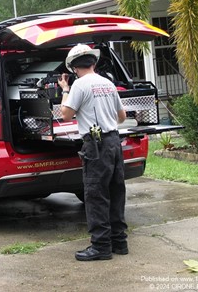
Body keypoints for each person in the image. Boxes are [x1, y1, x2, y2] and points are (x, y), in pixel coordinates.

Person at [58, 43, 128, 261]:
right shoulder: (107, 83)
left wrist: (65, 91)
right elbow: (122, 116)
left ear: (73, 68)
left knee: (96, 195)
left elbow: (65, 115)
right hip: (114, 142)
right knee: (116, 192)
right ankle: (119, 243)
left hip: (95, 145)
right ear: (94, 63)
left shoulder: (79, 85)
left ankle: (100, 247)